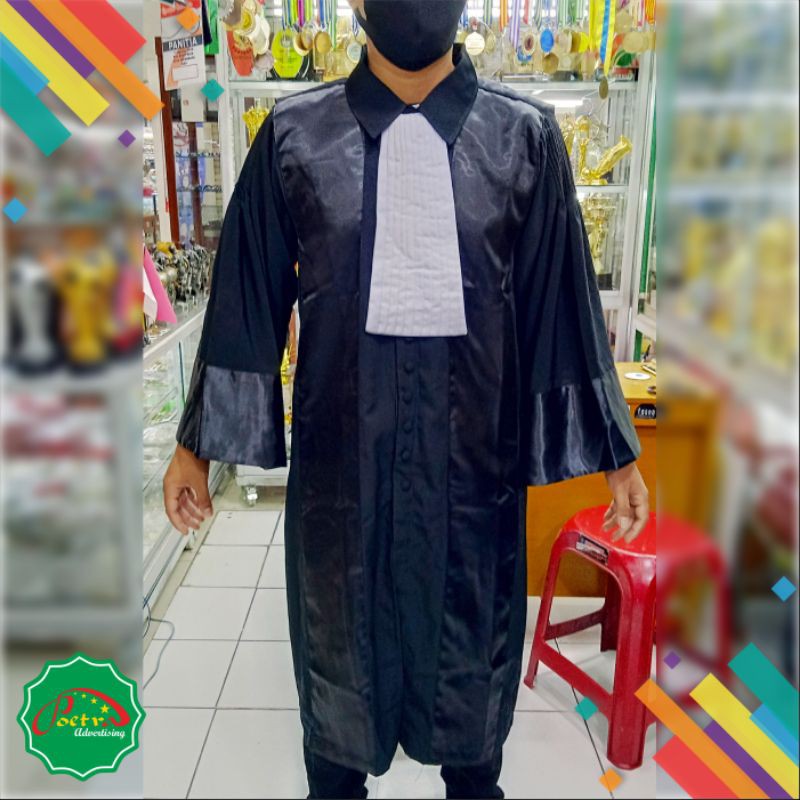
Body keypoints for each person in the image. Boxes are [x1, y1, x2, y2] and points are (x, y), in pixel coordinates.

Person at [163, 1, 650, 797]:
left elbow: (561, 306)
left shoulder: (523, 140)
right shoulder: (295, 137)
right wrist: (196, 445)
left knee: (471, 718)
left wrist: (617, 452)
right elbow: (247, 299)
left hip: (476, 479)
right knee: (338, 710)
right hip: (341, 482)